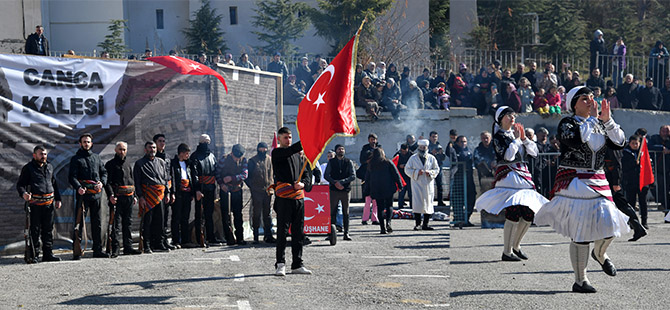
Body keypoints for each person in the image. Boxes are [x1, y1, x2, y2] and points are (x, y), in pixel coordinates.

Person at [535, 86, 629, 293]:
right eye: (585, 99)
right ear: (574, 104)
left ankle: (600, 254)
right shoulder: (567, 123)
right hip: (575, 181)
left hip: (598, 179)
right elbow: (575, 140)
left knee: (612, 223)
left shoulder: (599, 123)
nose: (590, 101)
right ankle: (580, 280)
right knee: (580, 231)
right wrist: (592, 120)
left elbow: (619, 143)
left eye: (592, 98)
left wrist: (608, 120)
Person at [475, 106, 548, 261]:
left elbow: (534, 152)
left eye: (513, 114)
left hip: (523, 177)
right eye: (508, 115)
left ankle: (516, 246)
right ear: (501, 119)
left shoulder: (517, 135)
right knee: (513, 214)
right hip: (509, 177)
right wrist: (516, 139)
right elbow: (508, 156)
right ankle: (506, 251)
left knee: (529, 214)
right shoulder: (498, 137)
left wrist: (523, 139)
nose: (512, 117)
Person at [270, 127, 313, 276]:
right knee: (282, 232)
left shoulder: (298, 156)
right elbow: (290, 150)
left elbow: (307, 174)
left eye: (290, 137)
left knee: (298, 232)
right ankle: (280, 263)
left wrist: (303, 184)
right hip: (284, 198)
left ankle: (297, 263)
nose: (288, 140)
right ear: (280, 139)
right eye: (285, 138)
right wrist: (309, 138)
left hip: (298, 198)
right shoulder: (277, 153)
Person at [17, 145, 62, 262]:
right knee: (35, 230)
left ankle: (48, 254)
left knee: (48, 230)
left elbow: (54, 183)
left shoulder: (50, 167)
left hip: (49, 204)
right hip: (35, 205)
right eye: (41, 154)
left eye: (45, 154)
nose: (43, 156)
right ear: (34, 155)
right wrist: (24, 194)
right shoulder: (28, 168)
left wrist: (58, 199)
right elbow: (20, 185)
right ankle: (34, 255)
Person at [68, 133, 108, 259]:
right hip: (82, 196)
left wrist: (102, 183)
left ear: (92, 144)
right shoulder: (75, 159)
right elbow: (72, 177)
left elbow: (104, 173)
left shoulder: (96, 158)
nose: (86, 144)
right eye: (84, 142)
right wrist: (78, 187)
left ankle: (98, 250)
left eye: (88, 142)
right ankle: (77, 251)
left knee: (97, 223)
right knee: (79, 223)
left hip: (96, 196)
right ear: (80, 144)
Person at [104, 142, 141, 257]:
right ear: (115, 150)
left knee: (128, 223)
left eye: (124, 149)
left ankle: (128, 247)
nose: (122, 152)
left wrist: (134, 195)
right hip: (117, 198)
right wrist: (110, 195)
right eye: (120, 149)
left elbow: (132, 181)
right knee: (116, 225)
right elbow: (107, 182)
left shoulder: (128, 163)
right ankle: (115, 249)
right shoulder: (110, 164)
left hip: (129, 198)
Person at [134, 141, 171, 254]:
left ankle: (159, 244)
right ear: (145, 150)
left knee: (160, 221)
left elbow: (166, 179)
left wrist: (168, 193)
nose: (152, 150)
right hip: (147, 196)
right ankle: (147, 245)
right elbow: (137, 182)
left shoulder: (161, 162)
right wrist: (140, 197)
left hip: (160, 195)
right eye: (150, 148)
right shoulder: (139, 163)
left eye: (154, 148)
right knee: (148, 222)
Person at [191, 134, 226, 246]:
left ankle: (211, 237)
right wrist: (197, 190)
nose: (207, 144)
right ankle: (198, 238)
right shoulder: (195, 156)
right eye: (205, 142)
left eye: (208, 142)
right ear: (200, 142)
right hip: (200, 189)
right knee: (198, 214)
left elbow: (216, 172)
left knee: (209, 214)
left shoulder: (212, 156)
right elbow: (194, 175)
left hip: (211, 189)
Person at [364, 148, 403, 234]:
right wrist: (400, 185)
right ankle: (388, 223)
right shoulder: (388, 162)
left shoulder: (371, 164)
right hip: (388, 187)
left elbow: (367, 178)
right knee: (389, 206)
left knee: (380, 207)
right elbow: (396, 174)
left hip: (376, 188)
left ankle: (382, 227)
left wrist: (366, 190)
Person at [216, 144, 249, 245]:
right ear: (232, 153)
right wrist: (221, 184)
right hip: (225, 191)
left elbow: (245, 174)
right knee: (226, 215)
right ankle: (228, 238)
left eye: (238, 157)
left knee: (238, 214)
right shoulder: (223, 160)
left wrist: (232, 178)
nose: (237, 159)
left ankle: (240, 237)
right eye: (235, 157)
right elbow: (217, 173)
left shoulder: (243, 160)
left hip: (237, 190)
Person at [405, 140, 440, 230]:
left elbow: (436, 169)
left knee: (428, 203)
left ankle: (426, 224)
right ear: (418, 148)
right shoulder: (413, 158)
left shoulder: (432, 158)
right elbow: (407, 169)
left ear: (427, 148)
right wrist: (416, 172)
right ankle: (417, 224)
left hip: (428, 184)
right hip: (417, 183)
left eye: (424, 148)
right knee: (417, 203)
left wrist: (431, 173)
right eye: (421, 147)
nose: (422, 149)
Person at [169, 143, 200, 248]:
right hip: (178, 193)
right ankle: (176, 240)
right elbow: (172, 178)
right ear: (181, 153)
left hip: (187, 193)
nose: (188, 156)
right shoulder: (173, 163)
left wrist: (191, 192)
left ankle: (185, 240)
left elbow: (191, 177)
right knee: (176, 217)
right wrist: (172, 192)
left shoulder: (188, 164)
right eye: (186, 153)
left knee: (185, 217)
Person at [620, 135, 650, 236]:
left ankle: (644, 221)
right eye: (633, 143)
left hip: (642, 182)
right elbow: (624, 167)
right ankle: (633, 222)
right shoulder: (626, 153)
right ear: (630, 143)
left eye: (636, 143)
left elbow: (648, 167)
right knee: (631, 203)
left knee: (643, 203)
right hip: (630, 181)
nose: (635, 145)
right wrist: (634, 163)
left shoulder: (643, 153)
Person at [324, 144, 355, 240]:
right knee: (332, 212)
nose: (341, 150)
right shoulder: (331, 162)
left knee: (346, 212)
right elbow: (326, 175)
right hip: (334, 190)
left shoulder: (348, 162)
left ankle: (346, 233)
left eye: (342, 149)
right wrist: (334, 182)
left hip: (345, 190)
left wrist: (342, 182)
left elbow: (353, 175)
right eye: (339, 149)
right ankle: (331, 234)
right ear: (336, 151)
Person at [246, 142, 275, 243]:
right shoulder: (252, 161)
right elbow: (247, 177)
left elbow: (272, 175)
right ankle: (256, 236)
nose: (262, 150)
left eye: (264, 149)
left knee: (267, 214)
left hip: (268, 191)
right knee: (256, 214)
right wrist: (253, 187)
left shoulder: (270, 160)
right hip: (257, 192)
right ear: (258, 149)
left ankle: (268, 235)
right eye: (261, 149)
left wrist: (271, 187)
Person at [153, 134, 175, 251]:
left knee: (166, 217)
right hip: (156, 192)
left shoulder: (167, 158)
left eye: (163, 141)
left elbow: (171, 176)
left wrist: (171, 192)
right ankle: (157, 241)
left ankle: (165, 240)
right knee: (157, 218)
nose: (162, 143)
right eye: (160, 141)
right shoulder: (152, 157)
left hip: (166, 190)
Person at [450, 135, 477, 226]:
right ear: (457, 142)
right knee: (458, 199)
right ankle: (458, 219)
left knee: (471, 197)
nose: (463, 144)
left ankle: (466, 218)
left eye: (465, 141)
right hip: (458, 179)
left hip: (469, 178)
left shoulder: (469, 151)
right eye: (461, 142)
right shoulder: (454, 151)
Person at [359, 134, 380, 225]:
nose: (373, 141)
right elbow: (362, 160)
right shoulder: (365, 149)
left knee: (376, 201)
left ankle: (375, 218)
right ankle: (365, 219)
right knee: (367, 200)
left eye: (375, 139)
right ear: (368, 140)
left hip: (376, 177)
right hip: (367, 178)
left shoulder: (379, 148)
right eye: (372, 139)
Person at [648, 125, 670, 211]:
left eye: (667, 131)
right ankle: (664, 204)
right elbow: (649, 146)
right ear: (660, 132)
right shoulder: (654, 138)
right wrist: (662, 148)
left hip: (668, 167)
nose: (665, 133)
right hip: (659, 167)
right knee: (661, 187)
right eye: (663, 131)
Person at [428, 131, 447, 207]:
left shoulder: (439, 145)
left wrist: (441, 153)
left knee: (440, 185)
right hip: (429, 168)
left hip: (438, 167)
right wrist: (431, 153)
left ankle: (440, 201)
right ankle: (429, 201)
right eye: (433, 137)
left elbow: (443, 158)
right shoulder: (427, 145)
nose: (434, 138)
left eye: (436, 137)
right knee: (429, 185)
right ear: (430, 137)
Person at [394, 144, 414, 209]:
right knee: (401, 193)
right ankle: (400, 206)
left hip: (410, 177)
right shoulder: (398, 155)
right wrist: (399, 166)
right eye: (402, 151)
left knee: (411, 193)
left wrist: (406, 166)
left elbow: (415, 165)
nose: (403, 153)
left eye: (405, 151)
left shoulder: (412, 155)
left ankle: (412, 207)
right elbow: (393, 165)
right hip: (401, 176)